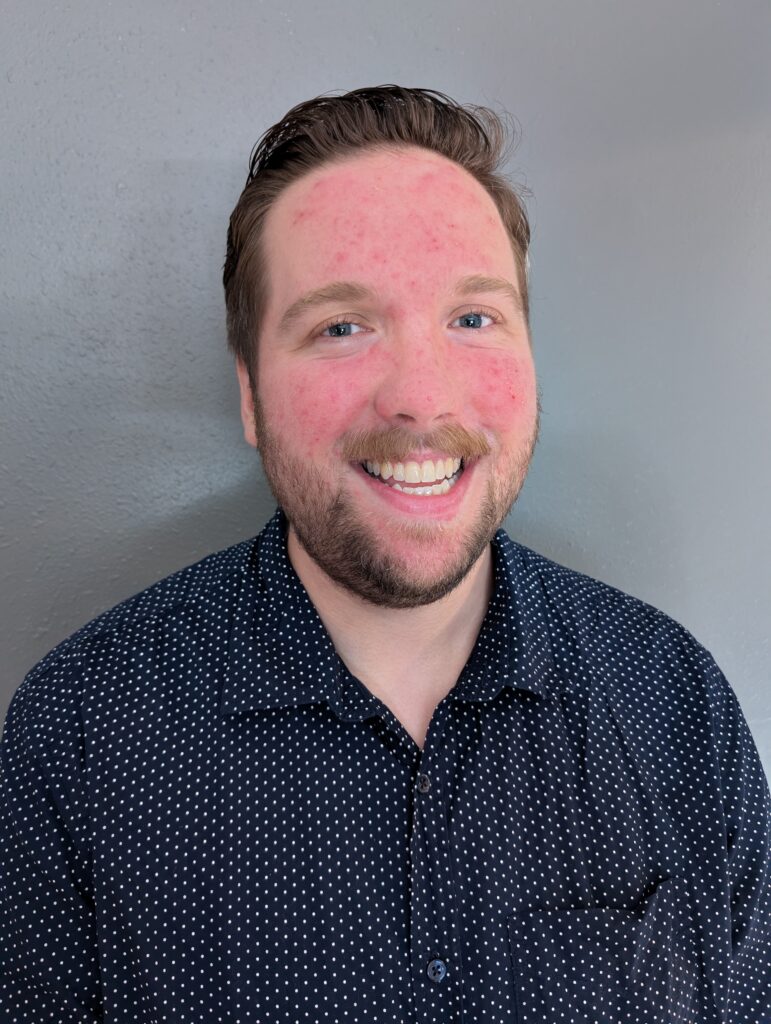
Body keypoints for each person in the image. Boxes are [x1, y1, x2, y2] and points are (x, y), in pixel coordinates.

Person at [1, 85, 769, 1024]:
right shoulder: (81, 734)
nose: (421, 398)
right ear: (249, 394)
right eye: (341, 326)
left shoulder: (673, 701)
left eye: (473, 318)